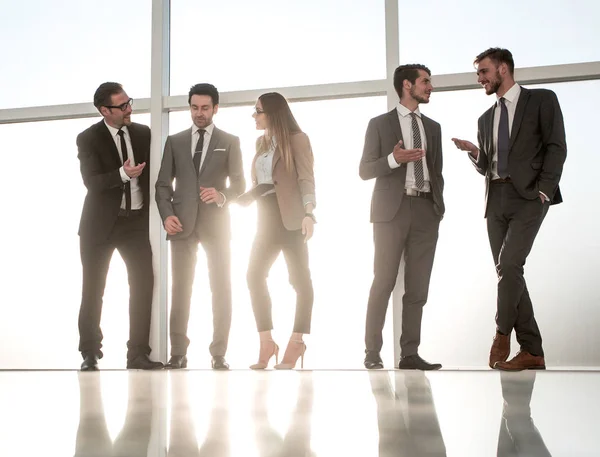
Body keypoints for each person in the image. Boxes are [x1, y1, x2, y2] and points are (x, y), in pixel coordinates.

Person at [452, 48, 567, 371]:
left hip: (530, 196)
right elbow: (488, 166)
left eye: (484, 71)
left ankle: (502, 333)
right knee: (509, 272)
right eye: (479, 74)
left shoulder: (542, 100)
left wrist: (545, 189)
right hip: (495, 198)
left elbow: (556, 146)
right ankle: (532, 350)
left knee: (509, 263)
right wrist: (475, 153)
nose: (480, 79)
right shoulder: (485, 118)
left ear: (503, 69)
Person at [360, 64, 445, 371]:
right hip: (390, 213)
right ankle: (372, 352)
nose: (430, 87)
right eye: (425, 82)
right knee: (383, 281)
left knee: (418, 286)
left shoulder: (432, 128)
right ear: (407, 85)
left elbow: (437, 172)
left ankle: (409, 354)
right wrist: (394, 159)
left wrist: (438, 207)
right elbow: (365, 170)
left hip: (425, 211)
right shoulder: (380, 124)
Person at [155, 83, 245, 370]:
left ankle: (219, 353)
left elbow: (240, 185)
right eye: (195, 107)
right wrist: (166, 214)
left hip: (217, 224)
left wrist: (221, 196)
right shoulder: (175, 141)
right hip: (181, 225)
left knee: (221, 288)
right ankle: (178, 353)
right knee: (181, 289)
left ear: (215, 108)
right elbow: (161, 185)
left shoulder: (230, 141)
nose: (199, 113)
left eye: (205, 108)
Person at [77, 82, 163, 371]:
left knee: (143, 284)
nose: (129, 109)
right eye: (122, 105)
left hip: (135, 222)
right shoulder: (88, 138)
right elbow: (92, 182)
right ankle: (90, 353)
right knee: (93, 288)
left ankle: (137, 354)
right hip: (99, 226)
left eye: (129, 102)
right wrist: (122, 174)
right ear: (105, 110)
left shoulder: (143, 133)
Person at [245, 92, 316, 370]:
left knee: (300, 282)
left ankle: (297, 341)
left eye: (258, 111)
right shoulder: (260, 143)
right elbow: (265, 181)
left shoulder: (299, 140)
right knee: (253, 275)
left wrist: (309, 212)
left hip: (292, 219)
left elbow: (305, 178)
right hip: (265, 217)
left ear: (273, 113)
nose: (254, 115)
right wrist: (248, 196)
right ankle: (266, 342)